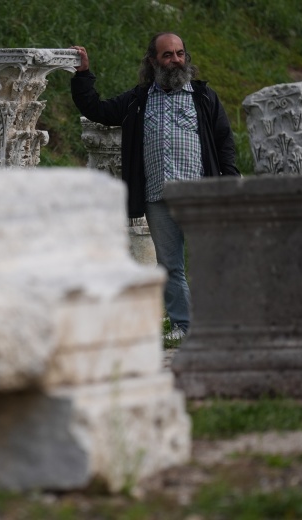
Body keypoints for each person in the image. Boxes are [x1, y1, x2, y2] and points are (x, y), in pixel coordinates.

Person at [70, 33, 240, 340]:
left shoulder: (203, 97)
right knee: (170, 265)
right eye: (167, 55)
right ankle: (184, 327)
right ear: (153, 61)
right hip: (157, 196)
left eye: (179, 54)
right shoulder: (139, 99)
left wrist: (229, 182)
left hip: (199, 194)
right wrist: (83, 74)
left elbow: (224, 141)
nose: (175, 60)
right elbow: (96, 109)